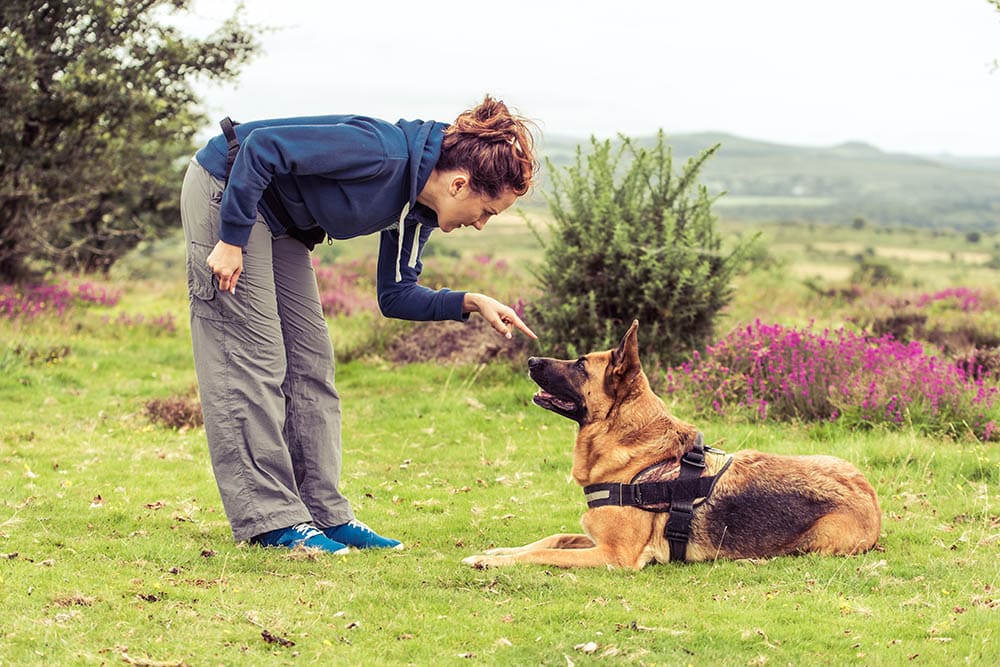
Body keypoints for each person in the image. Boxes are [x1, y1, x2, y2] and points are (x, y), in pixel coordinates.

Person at [179, 95, 537, 554]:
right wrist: (231, 239)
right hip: (230, 190)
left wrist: (470, 301)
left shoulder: (416, 213)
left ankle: (324, 513)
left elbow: (396, 295)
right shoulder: (380, 150)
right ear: (459, 185)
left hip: (283, 221)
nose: (483, 225)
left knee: (311, 362)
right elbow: (262, 147)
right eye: (487, 211)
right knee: (254, 358)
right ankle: (270, 519)